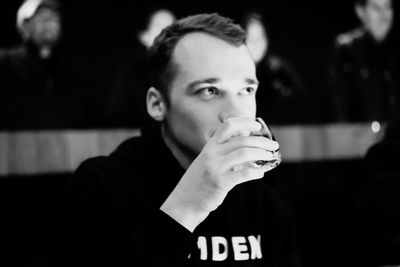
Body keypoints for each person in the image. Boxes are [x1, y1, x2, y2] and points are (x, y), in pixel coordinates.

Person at [49, 13, 301, 266]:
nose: (235, 113)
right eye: (209, 90)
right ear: (157, 104)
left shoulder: (266, 203)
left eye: (246, 90)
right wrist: (188, 207)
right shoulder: (100, 187)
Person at [0, 0, 92, 130]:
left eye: (54, 18)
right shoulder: (6, 62)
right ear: (24, 26)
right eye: (42, 18)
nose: (49, 23)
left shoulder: (70, 70)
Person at [328, 0, 400, 123]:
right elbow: (340, 104)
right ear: (361, 11)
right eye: (376, 8)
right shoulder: (348, 49)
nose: (383, 15)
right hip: (362, 137)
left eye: (387, 7)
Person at [106, 7, 175, 128]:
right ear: (144, 35)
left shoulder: (179, 70)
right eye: (160, 27)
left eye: (172, 27)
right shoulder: (132, 71)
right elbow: (118, 115)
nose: (167, 34)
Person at [242, 12, 306, 124]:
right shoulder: (235, 70)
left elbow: (299, 103)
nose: (255, 44)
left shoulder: (278, 69)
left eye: (260, 38)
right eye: (250, 38)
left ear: (267, 39)